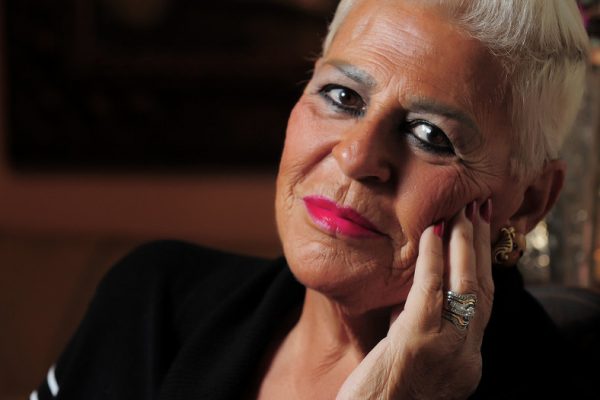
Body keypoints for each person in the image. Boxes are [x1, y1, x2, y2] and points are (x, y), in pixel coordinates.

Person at [31, 0, 590, 399]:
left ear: (528, 201)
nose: (355, 156)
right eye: (342, 96)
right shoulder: (153, 303)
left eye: (429, 135)